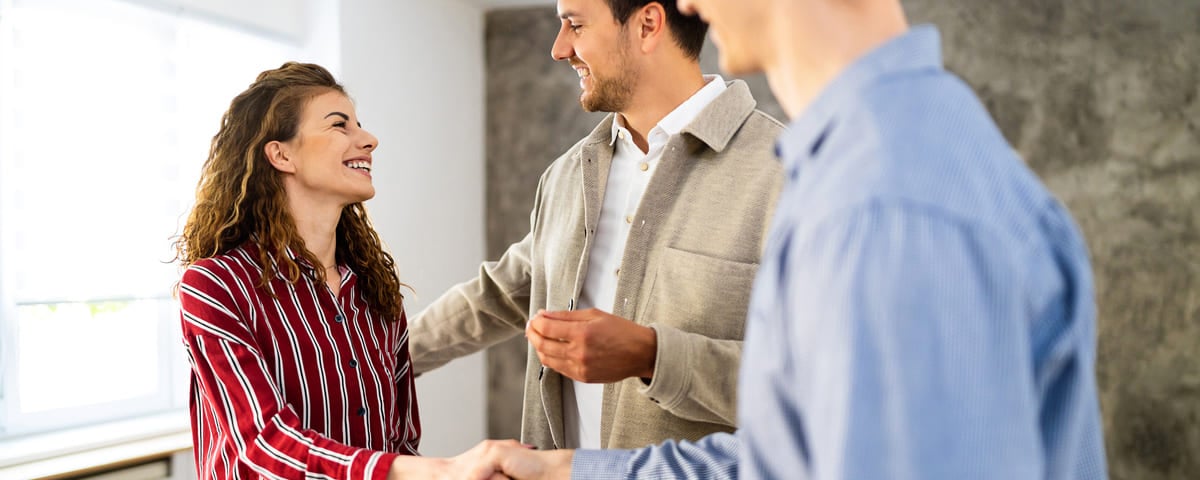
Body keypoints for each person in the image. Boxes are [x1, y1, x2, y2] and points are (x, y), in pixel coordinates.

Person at [486, 0, 1110, 478]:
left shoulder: (884, 206)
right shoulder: (883, 164)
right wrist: (571, 468)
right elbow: (797, 456)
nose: (691, 5)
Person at [409, 0, 784, 452]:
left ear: (647, 25)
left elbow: (816, 385)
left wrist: (653, 356)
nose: (558, 48)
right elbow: (504, 292)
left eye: (576, 25)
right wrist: (375, 362)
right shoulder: (568, 175)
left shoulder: (785, 174)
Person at [175, 62, 519, 480]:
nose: (369, 140)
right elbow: (261, 443)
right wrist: (443, 470)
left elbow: (402, 440)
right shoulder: (216, 286)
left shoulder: (376, 290)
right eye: (341, 126)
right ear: (281, 154)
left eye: (361, 125)